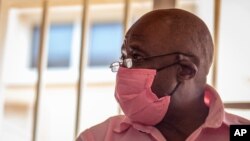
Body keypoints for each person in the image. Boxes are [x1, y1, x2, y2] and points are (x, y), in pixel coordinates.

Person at [77, 9, 249, 141]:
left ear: (185, 70)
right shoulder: (99, 137)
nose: (123, 68)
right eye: (123, 57)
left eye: (136, 57)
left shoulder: (240, 133)